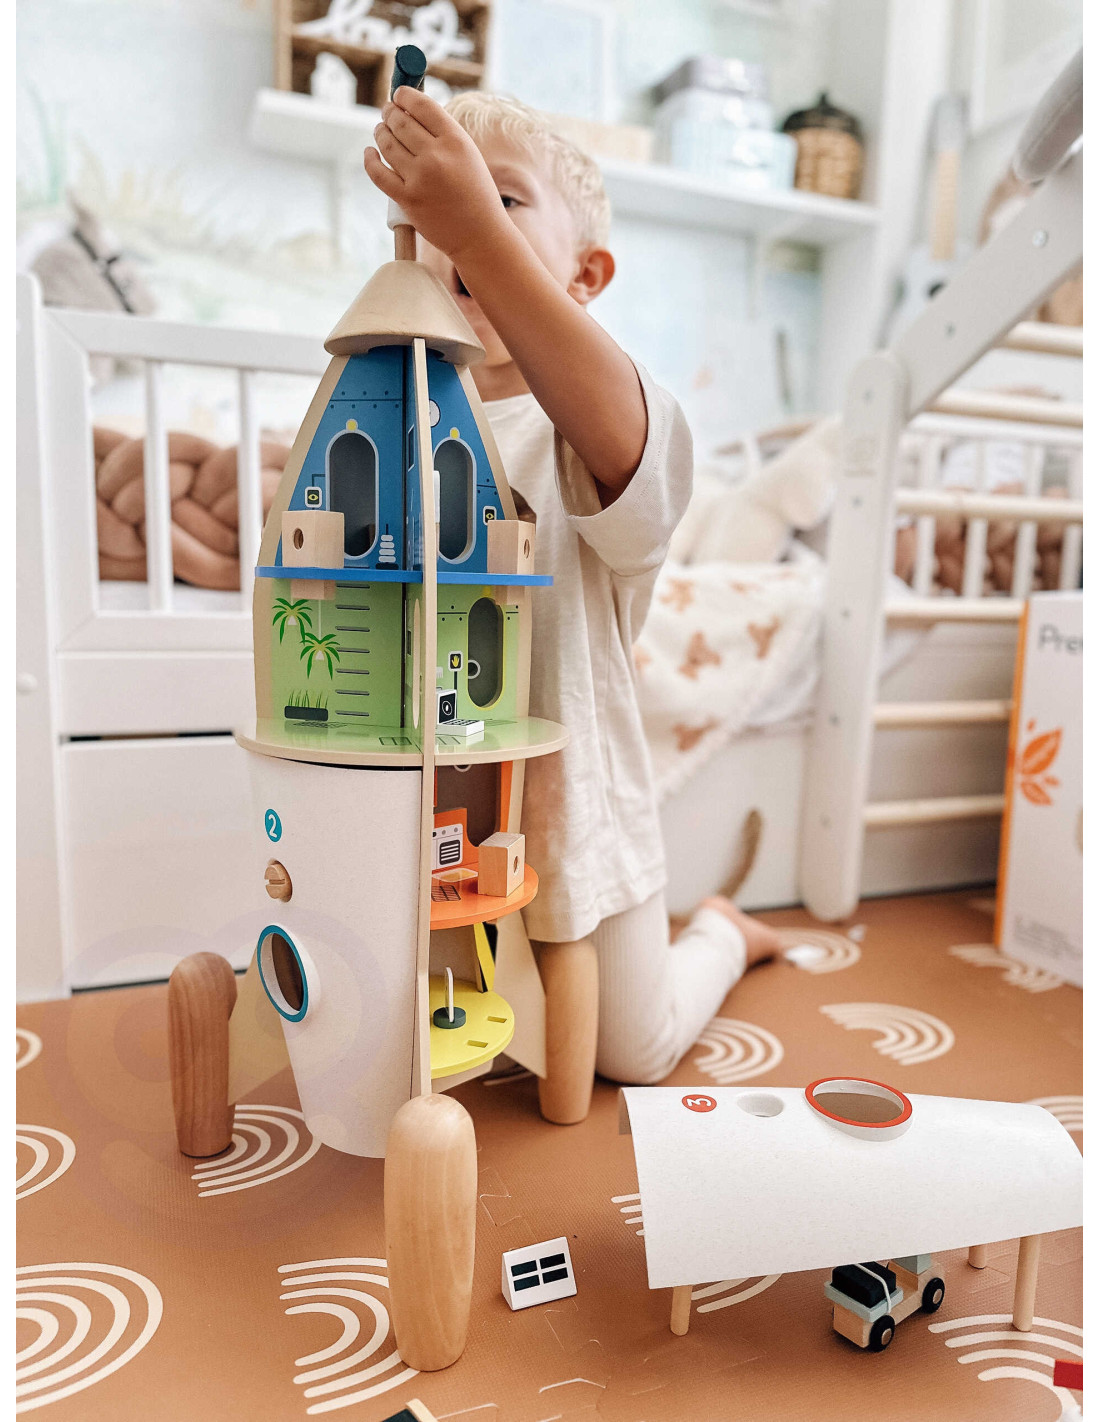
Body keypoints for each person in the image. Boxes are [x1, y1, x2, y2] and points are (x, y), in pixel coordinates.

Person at [365, 88, 781, 1111]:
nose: (460, 230)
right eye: (434, 219)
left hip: (568, 802)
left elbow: (623, 439)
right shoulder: (394, 413)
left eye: (503, 200)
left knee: (630, 1050)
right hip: (428, 795)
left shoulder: (587, 420)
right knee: (415, 1023)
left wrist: (476, 230)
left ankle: (723, 933)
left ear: (584, 276)